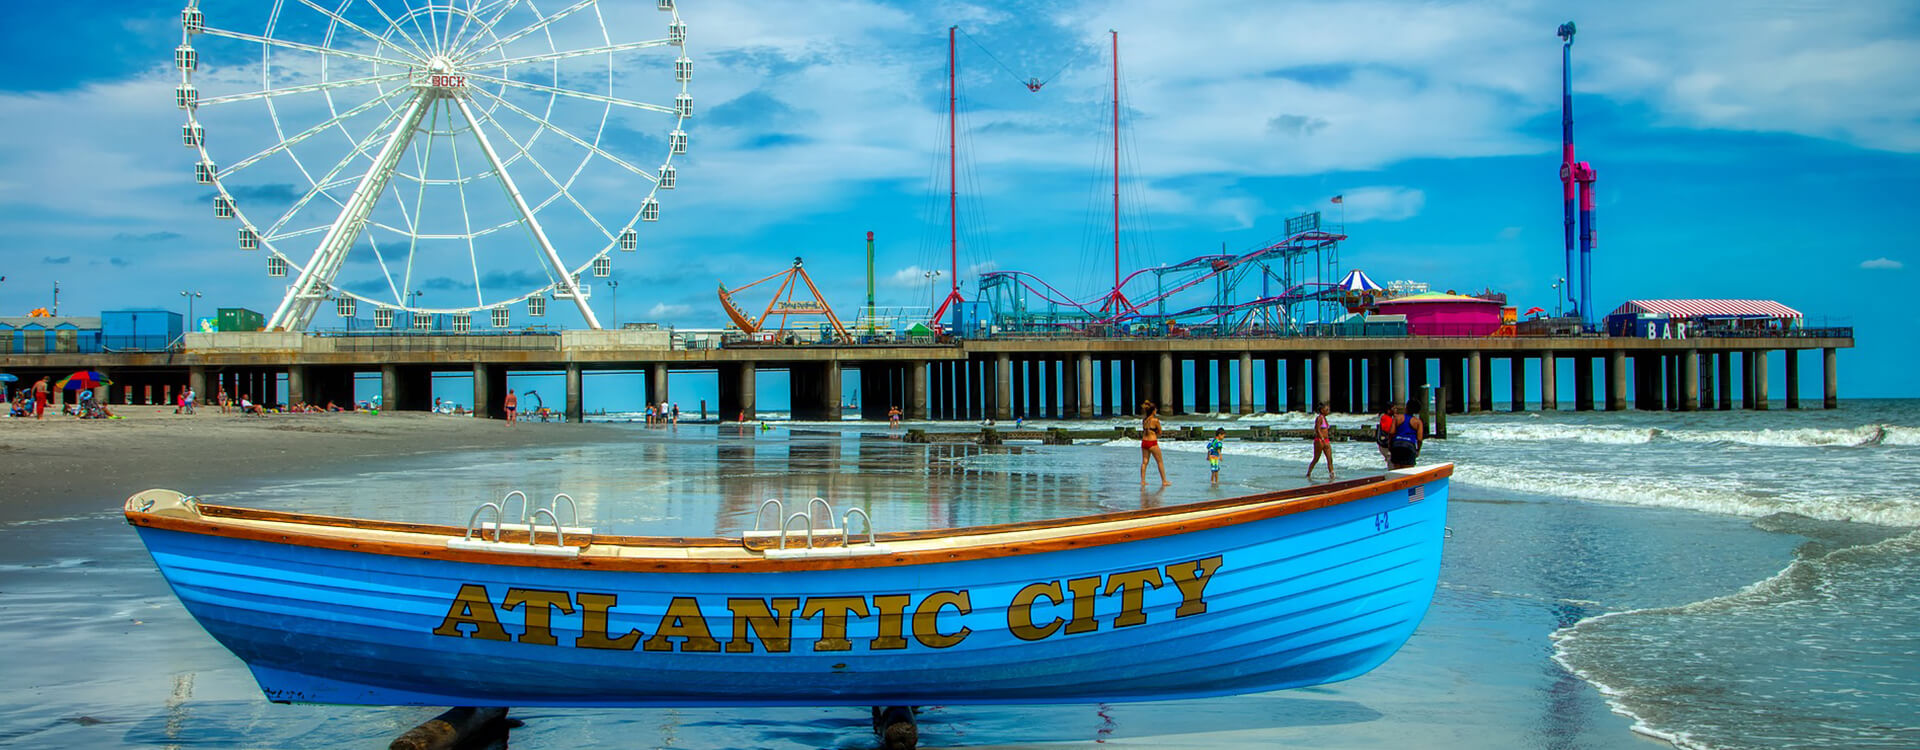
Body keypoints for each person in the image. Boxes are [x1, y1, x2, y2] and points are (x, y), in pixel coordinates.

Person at [1139, 400, 1169, 487]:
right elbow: (1160, 432)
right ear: (1153, 411)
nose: (1156, 411)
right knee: (1159, 462)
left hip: (1144, 442)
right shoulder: (1155, 420)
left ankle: (1143, 481)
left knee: (1144, 462)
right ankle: (1164, 481)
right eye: (1155, 410)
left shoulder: (1144, 420)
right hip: (1152, 442)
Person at [1389, 402, 1423, 469]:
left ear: (1406, 408)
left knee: (1397, 471)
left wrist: (1390, 445)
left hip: (1396, 445)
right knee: (1407, 472)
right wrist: (1418, 450)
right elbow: (1419, 439)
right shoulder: (1418, 422)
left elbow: (1391, 433)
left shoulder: (1397, 418)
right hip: (1409, 446)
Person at [1306, 403, 1335, 479]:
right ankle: (1308, 473)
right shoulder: (1319, 418)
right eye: (1326, 410)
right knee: (1316, 459)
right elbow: (1317, 429)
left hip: (1326, 440)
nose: (1328, 411)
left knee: (1329, 458)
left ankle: (1332, 474)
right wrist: (1322, 439)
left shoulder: (1325, 418)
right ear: (1322, 410)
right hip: (1319, 440)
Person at [1375, 403, 1398, 469]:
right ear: (1388, 410)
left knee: (1391, 460)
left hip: (1385, 444)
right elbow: (1389, 430)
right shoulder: (1386, 418)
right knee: (1391, 460)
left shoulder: (1388, 418)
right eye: (1394, 408)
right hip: (1386, 444)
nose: (1396, 410)